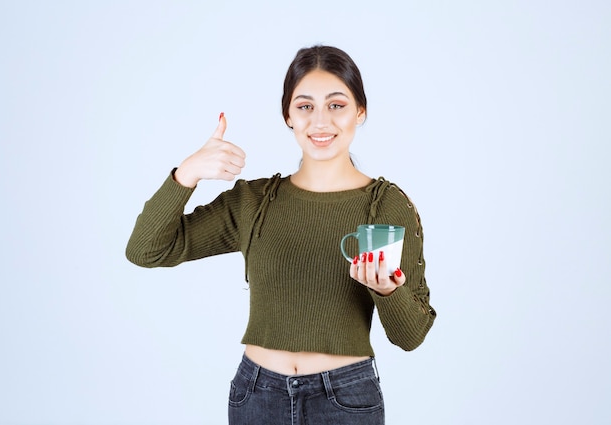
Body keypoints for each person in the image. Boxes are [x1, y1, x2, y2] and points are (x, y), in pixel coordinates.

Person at [126, 45, 436, 425]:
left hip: (346, 399)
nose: (320, 121)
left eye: (336, 105)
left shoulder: (386, 206)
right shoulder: (254, 202)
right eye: (305, 106)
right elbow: (146, 250)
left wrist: (388, 291)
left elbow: (412, 335)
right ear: (288, 115)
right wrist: (187, 173)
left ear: (360, 111)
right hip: (257, 396)